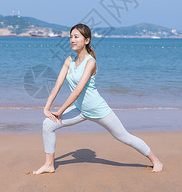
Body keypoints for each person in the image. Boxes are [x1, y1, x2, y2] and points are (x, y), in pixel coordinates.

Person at [33, 23, 163, 174]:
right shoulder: (69, 60)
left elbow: (76, 91)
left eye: (76, 37)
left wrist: (60, 111)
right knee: (48, 125)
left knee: (124, 137)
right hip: (80, 109)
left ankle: (156, 161)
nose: (72, 40)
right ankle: (49, 165)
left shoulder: (91, 62)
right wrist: (47, 107)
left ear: (87, 40)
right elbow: (57, 84)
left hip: (97, 109)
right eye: (70, 37)